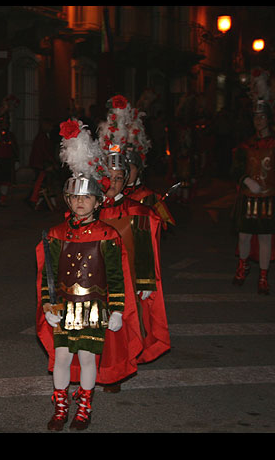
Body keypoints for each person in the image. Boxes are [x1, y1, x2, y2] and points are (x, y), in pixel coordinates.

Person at [36, 119, 142, 431]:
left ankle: (84, 407)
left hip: (94, 308)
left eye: (86, 197)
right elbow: (49, 275)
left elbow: (115, 273)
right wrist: (48, 306)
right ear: (68, 200)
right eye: (75, 197)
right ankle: (59, 407)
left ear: (97, 202)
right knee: (61, 359)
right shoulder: (56, 233)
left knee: (86, 360)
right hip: (64, 307)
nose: (80, 202)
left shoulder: (108, 235)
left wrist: (118, 308)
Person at [97, 96, 170, 372]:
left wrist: (145, 282)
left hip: (126, 278)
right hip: (97, 277)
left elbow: (144, 246)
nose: (114, 183)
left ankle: (120, 365)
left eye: (119, 178)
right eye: (109, 177)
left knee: (124, 322)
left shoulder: (138, 209)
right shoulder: (90, 208)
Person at [231, 68, 275, 294]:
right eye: (256, 117)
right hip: (249, 197)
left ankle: (264, 277)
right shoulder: (246, 145)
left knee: (266, 237)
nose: (258, 121)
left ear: (268, 118)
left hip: (268, 197)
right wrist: (246, 179)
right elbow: (235, 167)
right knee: (245, 236)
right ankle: (242, 266)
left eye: (262, 117)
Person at [122, 106, 175, 229]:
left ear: (139, 169)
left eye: (131, 168)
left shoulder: (147, 196)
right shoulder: (113, 193)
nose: (127, 172)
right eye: (124, 168)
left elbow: (164, 223)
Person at [0, 95, 20, 206]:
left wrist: (16, 160)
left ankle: (2, 199)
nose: (4, 125)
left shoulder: (11, 136)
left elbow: (15, 149)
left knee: (6, 182)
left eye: (6, 122)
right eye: (2, 122)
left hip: (7, 161)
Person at [27, 117, 63, 211]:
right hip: (40, 164)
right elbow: (44, 152)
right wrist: (52, 162)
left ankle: (40, 202)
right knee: (42, 184)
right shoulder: (42, 137)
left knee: (44, 184)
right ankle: (35, 201)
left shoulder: (44, 136)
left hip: (41, 163)